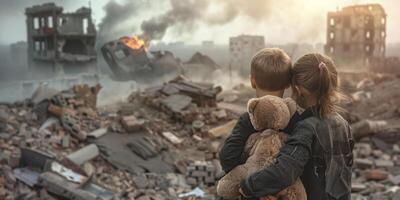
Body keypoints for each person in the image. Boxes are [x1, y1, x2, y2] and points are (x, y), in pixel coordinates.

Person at [238, 53, 354, 200]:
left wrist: (248, 186)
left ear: (298, 90)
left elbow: (285, 172)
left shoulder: (306, 128)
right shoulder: (343, 124)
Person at [218, 48, 301, 200]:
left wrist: (245, 175)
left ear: (252, 81)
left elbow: (227, 157)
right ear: (289, 83)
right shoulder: (295, 119)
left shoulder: (248, 119)